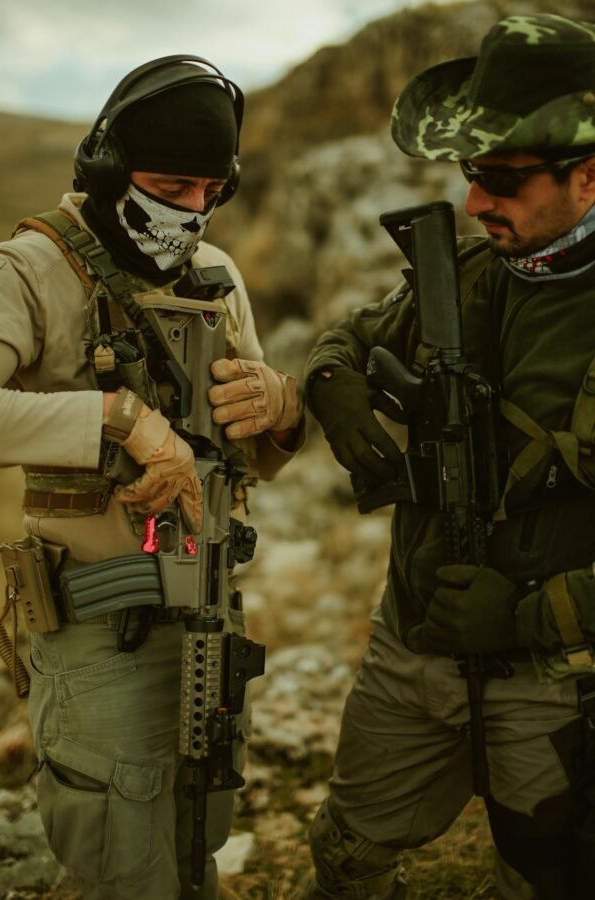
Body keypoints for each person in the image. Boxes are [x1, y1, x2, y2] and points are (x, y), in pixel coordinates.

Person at [0, 56, 305, 900]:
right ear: (104, 167)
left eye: (213, 189)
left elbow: (256, 445)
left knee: (196, 836)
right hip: (99, 632)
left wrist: (280, 406)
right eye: (172, 184)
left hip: (208, 608)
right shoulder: (28, 270)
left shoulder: (217, 276)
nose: (192, 210)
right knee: (122, 862)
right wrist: (119, 419)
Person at [303, 14, 595, 900]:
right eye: (471, 175)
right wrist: (332, 383)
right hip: (412, 649)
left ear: (589, 176)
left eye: (503, 180)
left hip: (558, 680)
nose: (475, 204)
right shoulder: (461, 277)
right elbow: (344, 340)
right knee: (347, 856)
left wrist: (532, 616)